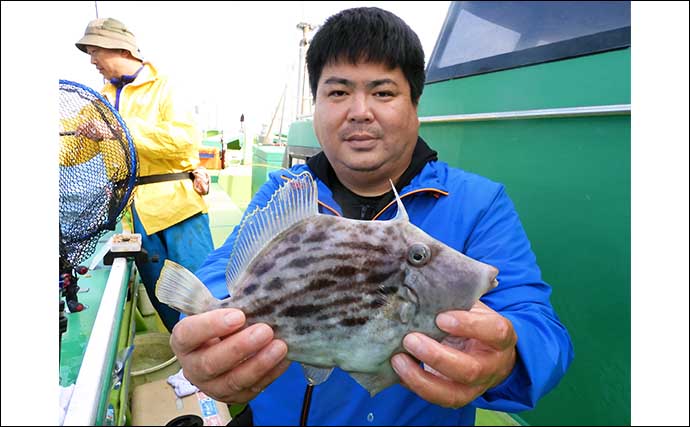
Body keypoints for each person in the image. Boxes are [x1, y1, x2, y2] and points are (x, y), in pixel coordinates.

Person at [169, 7, 574, 426]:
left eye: (383, 92)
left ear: (415, 104)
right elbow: (226, 271)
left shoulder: (479, 202)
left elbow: (539, 327)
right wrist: (208, 335)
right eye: (339, 92)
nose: (359, 111)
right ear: (317, 105)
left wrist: (507, 358)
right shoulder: (287, 191)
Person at [74, 17, 214, 332]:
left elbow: (183, 140)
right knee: (163, 295)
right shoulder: (99, 99)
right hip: (133, 216)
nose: (93, 60)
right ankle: (190, 359)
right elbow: (74, 157)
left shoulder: (165, 86)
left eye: (96, 51)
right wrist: (80, 135)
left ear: (121, 48)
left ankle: (223, 362)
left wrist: (117, 131)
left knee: (204, 291)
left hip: (177, 207)